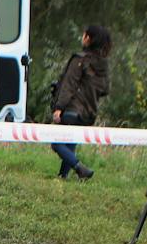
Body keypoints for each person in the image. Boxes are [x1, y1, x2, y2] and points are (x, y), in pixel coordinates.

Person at [48, 25, 111, 180]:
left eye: (84, 35)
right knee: (70, 142)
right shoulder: (102, 65)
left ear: (88, 38)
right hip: (89, 112)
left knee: (56, 143)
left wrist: (59, 107)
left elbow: (69, 85)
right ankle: (63, 176)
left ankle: (79, 168)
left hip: (72, 109)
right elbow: (105, 89)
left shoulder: (80, 60)